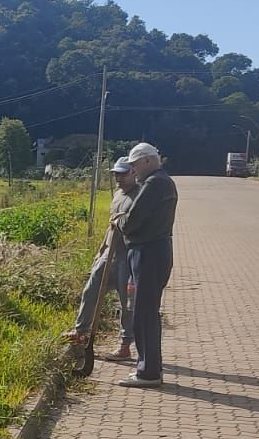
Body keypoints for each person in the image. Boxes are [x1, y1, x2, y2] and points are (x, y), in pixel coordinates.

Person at [61, 156, 140, 361]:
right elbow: (110, 226)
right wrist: (101, 248)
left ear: (133, 173)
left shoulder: (139, 195)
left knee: (127, 304)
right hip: (109, 253)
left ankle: (125, 345)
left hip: (127, 256)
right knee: (91, 289)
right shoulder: (118, 195)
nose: (118, 179)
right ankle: (81, 331)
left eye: (122, 174)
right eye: (116, 174)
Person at [116, 142, 178, 388]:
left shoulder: (155, 183)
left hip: (149, 252)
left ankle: (149, 371)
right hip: (152, 250)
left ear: (148, 161)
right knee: (144, 310)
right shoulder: (162, 181)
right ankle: (148, 367)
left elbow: (133, 220)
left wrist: (120, 222)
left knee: (144, 312)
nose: (133, 171)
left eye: (134, 165)